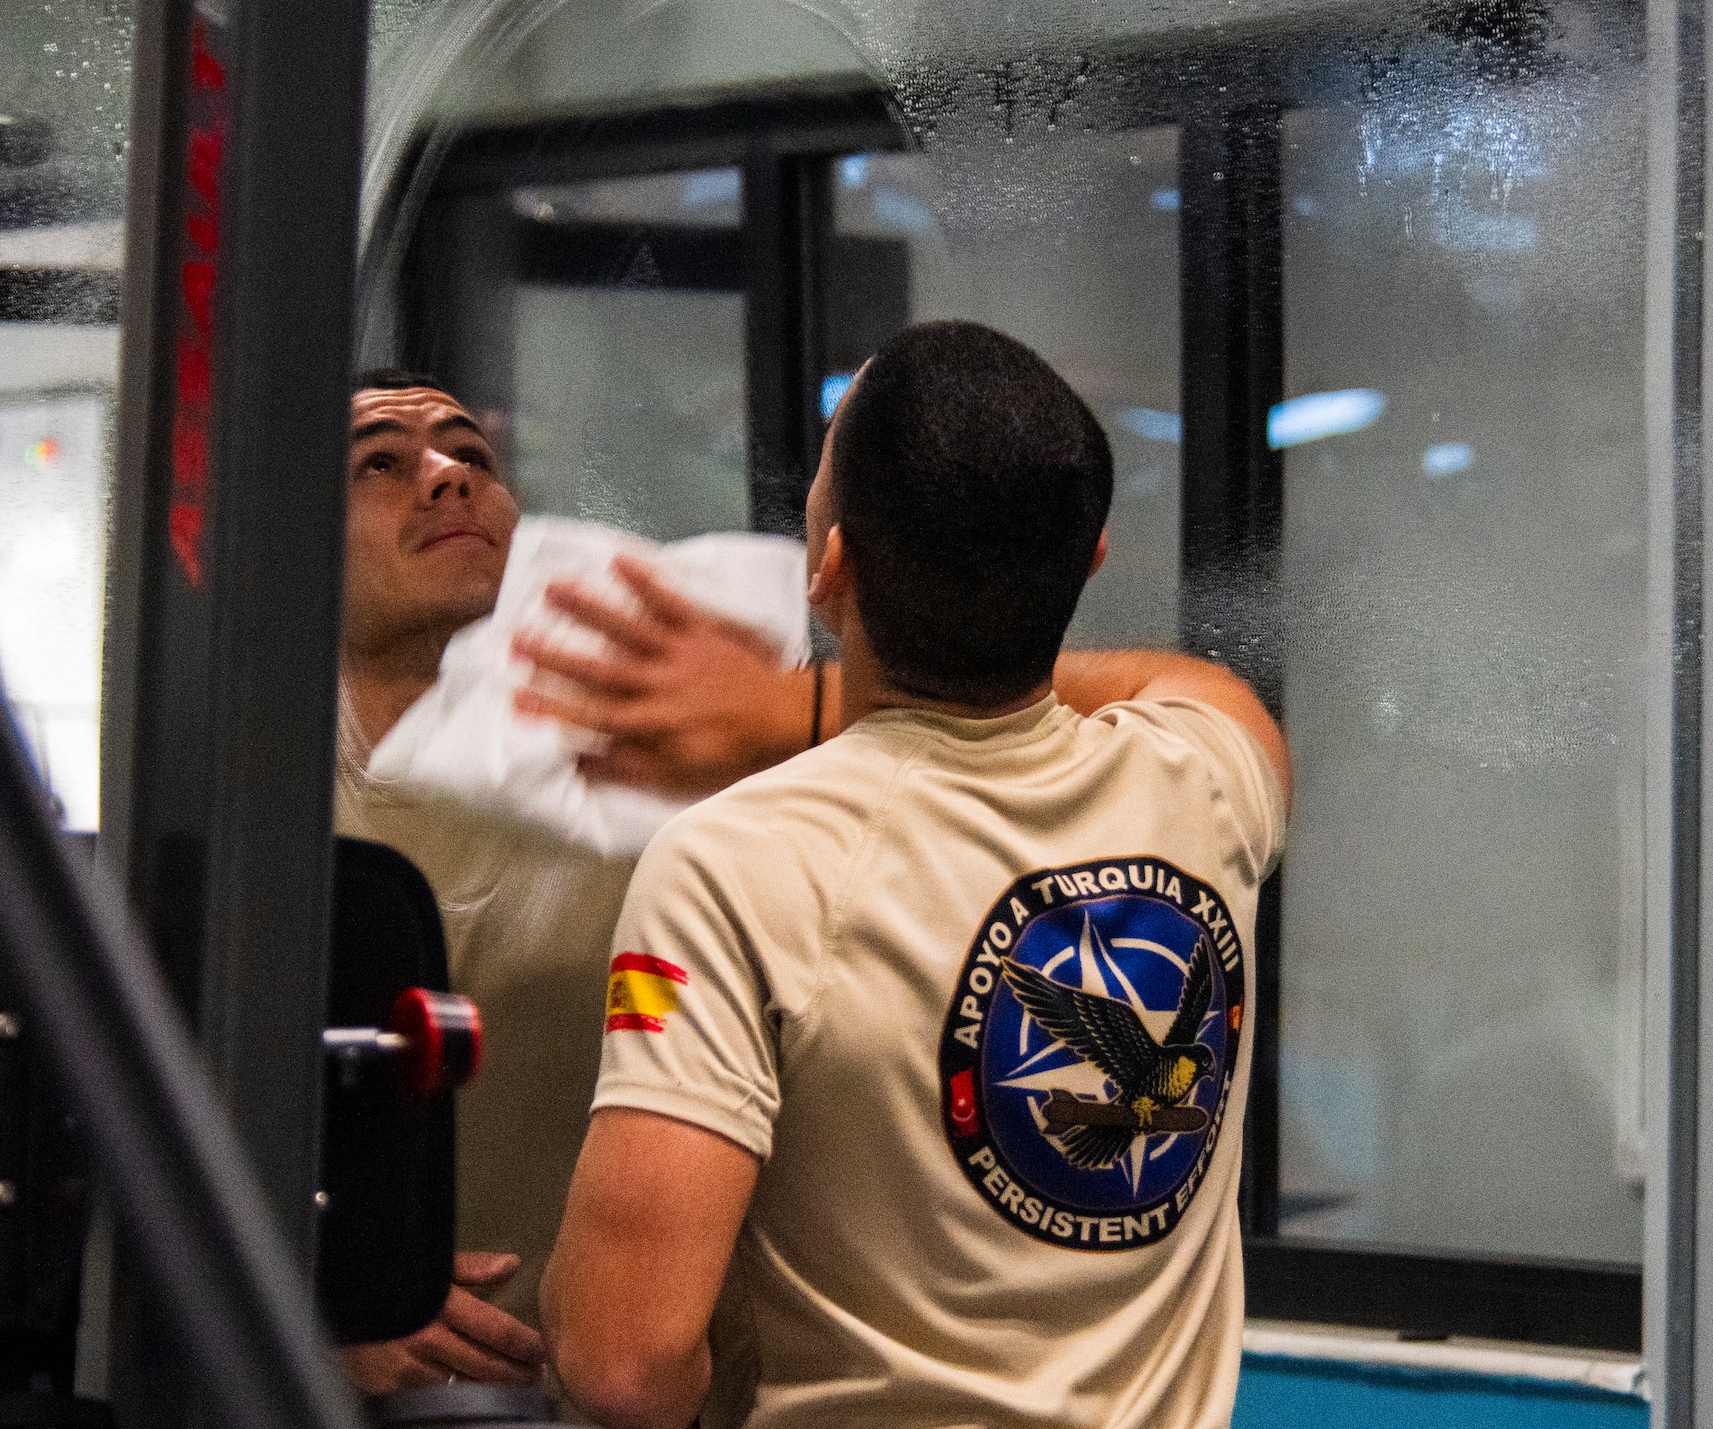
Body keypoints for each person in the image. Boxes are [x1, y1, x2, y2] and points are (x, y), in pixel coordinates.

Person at [539, 322, 1292, 1429]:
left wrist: (788, 708)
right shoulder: (1208, 781)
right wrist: (791, 706)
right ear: (1088, 563)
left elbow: (623, 1362)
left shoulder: (736, 863)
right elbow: (1193, 680)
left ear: (829, 566)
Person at [330, 370, 829, 1393]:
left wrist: (798, 710)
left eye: (472, 457)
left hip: (671, 1391)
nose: (446, 477)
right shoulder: (251, 818)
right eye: (380, 462)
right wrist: (319, 1309)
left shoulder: (651, 752)